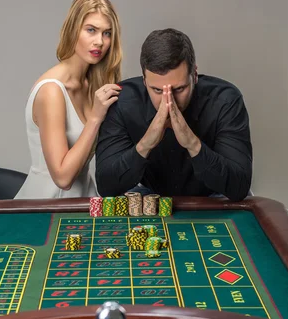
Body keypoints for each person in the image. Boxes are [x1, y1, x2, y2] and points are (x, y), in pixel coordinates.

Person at [95, 29, 252, 201]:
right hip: (150, 195)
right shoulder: (122, 101)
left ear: (195, 75)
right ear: (144, 80)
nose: (168, 100)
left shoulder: (225, 100)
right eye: (156, 90)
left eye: (179, 89)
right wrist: (145, 144)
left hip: (214, 195)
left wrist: (192, 144)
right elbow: (106, 186)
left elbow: (239, 187)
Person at [15, 0, 122, 199]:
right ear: (73, 30)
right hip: (44, 208)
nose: (99, 41)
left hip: (86, 202)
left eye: (107, 33)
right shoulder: (51, 91)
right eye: (91, 30)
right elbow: (63, 178)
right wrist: (95, 118)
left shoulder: (95, 86)